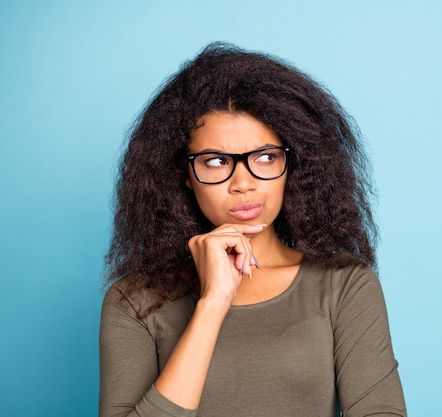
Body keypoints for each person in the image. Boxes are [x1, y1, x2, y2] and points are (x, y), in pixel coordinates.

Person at [99, 42, 406, 417]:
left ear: (293, 163)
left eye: (265, 157)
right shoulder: (136, 301)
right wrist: (212, 303)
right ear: (183, 174)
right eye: (215, 161)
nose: (243, 183)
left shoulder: (343, 285)